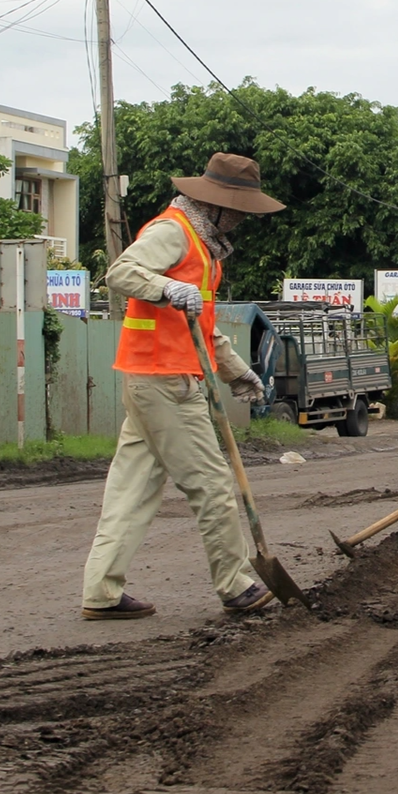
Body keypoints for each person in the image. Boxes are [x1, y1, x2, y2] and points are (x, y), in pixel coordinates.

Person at [79, 153, 286, 620]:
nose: (242, 220)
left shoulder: (204, 248)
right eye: (238, 210)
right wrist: (164, 288)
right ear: (214, 203)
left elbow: (202, 326)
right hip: (165, 381)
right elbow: (121, 274)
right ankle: (235, 584)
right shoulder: (174, 232)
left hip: (158, 378)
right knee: (212, 483)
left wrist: (237, 371)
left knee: (131, 489)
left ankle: (102, 592)